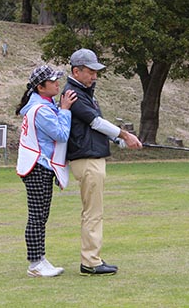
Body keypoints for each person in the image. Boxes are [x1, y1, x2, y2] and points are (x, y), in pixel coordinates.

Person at [63, 48, 143, 276]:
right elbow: (96, 122)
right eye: (90, 72)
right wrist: (124, 135)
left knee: (94, 210)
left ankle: (92, 258)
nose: (95, 76)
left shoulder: (84, 92)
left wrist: (119, 140)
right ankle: (90, 262)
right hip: (87, 159)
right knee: (93, 212)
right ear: (76, 71)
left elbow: (95, 125)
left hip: (92, 157)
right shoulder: (73, 93)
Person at [15, 65, 77, 277]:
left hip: (38, 165)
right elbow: (60, 134)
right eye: (52, 81)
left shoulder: (41, 105)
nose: (57, 83)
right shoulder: (40, 109)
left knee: (40, 215)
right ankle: (35, 263)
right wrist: (66, 110)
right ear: (41, 87)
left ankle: (40, 259)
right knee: (37, 216)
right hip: (38, 166)